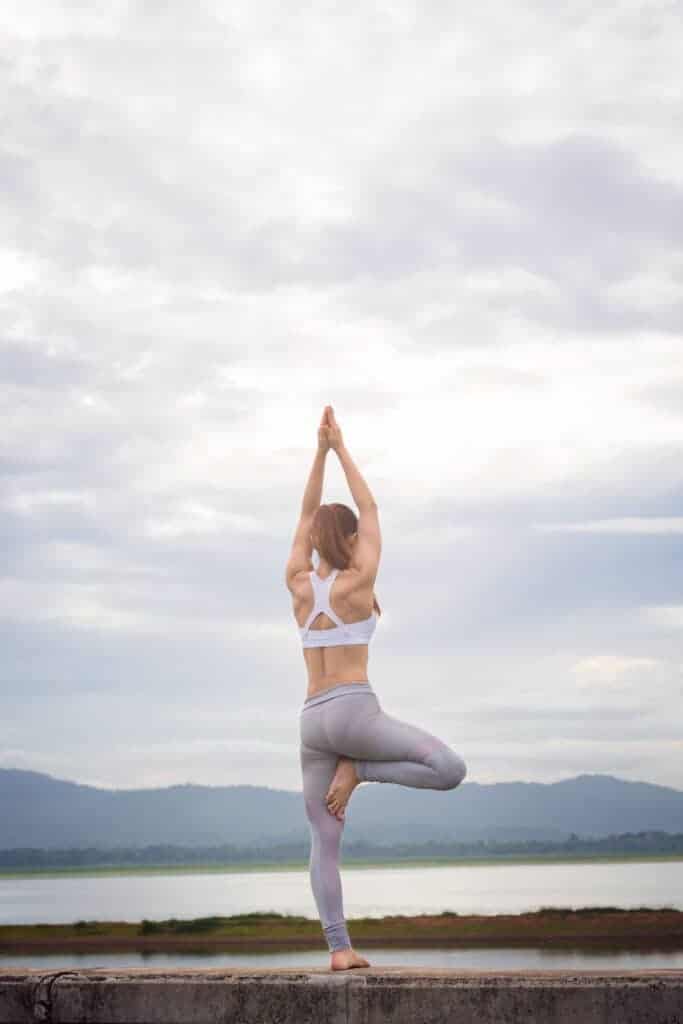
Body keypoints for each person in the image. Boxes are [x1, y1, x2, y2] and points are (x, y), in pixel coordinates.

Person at [284, 405, 467, 972]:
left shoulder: (296, 581)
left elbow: (306, 509)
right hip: (354, 712)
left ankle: (339, 949)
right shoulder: (359, 580)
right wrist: (339, 448)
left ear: (316, 538)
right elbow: (369, 506)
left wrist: (317, 452)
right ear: (353, 538)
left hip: (312, 719)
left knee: (324, 838)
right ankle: (360, 772)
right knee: (448, 769)